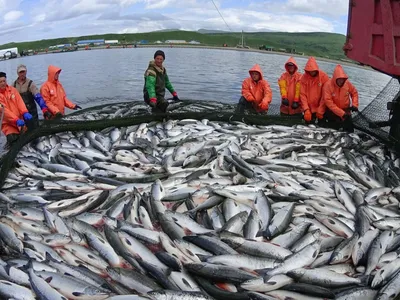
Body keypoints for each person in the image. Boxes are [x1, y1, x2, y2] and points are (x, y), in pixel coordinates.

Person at [320, 64, 359, 132]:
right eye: (339, 79)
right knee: (332, 131)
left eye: (343, 79)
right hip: (332, 113)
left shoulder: (347, 84)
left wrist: (355, 104)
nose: (341, 81)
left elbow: (354, 93)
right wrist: (341, 113)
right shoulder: (328, 85)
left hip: (346, 113)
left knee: (350, 132)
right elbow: (328, 102)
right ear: (335, 78)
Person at [0, 72, 33, 147]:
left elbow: (20, 102)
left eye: (4, 81)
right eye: (0, 82)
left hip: (20, 122)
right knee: (13, 142)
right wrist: (16, 120)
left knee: (26, 143)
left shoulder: (13, 90)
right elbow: (4, 111)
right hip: (8, 125)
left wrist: (25, 112)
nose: (3, 83)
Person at [300, 57, 330, 124]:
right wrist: (306, 109)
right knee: (307, 125)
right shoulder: (303, 78)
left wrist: (321, 109)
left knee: (322, 125)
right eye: (309, 70)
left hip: (321, 108)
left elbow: (326, 95)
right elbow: (302, 95)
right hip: (309, 109)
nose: (311, 72)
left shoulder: (324, 77)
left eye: (313, 70)